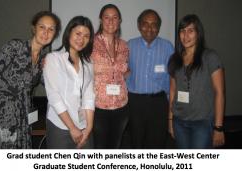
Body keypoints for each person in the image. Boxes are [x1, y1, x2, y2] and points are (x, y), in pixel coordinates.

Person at [0, 11, 61, 149]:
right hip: (0, 115)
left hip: (23, 118)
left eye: (51, 29)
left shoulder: (44, 59)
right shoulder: (14, 47)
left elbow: (52, 85)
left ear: (55, 34)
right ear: (34, 28)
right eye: (42, 27)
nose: (46, 32)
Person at [168, 14, 225, 149]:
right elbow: (172, 91)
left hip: (202, 123)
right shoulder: (174, 59)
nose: (185, 35)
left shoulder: (210, 57)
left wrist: (218, 127)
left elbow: (219, 92)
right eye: (182, 30)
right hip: (179, 121)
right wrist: (170, 120)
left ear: (198, 33)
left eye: (190, 30)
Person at [43, 16, 95, 149]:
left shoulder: (88, 63)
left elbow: (89, 97)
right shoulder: (54, 58)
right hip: (59, 126)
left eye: (86, 36)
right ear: (69, 33)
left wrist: (88, 128)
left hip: (83, 125)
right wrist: (72, 128)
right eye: (78, 33)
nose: (81, 39)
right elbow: (54, 96)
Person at [126, 9, 174, 148]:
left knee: (157, 142)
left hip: (158, 103)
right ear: (139, 25)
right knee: (136, 141)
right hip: (135, 102)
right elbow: (122, 71)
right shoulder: (129, 45)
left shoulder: (167, 47)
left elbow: (173, 78)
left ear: (158, 27)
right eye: (145, 24)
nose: (149, 28)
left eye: (154, 24)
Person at [91, 4, 129, 149]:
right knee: (100, 147)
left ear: (119, 21)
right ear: (101, 20)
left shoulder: (124, 46)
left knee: (115, 146)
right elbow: (73, 56)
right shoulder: (90, 43)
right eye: (107, 17)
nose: (111, 21)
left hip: (121, 106)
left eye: (115, 18)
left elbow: (122, 70)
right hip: (98, 106)